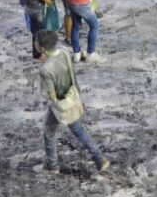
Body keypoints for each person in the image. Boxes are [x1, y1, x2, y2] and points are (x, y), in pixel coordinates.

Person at [34, 29, 110, 174]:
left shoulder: (45, 70)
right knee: (78, 130)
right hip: (71, 96)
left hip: (61, 104)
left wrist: (54, 102)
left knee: (48, 132)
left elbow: (51, 95)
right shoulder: (63, 52)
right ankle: (99, 158)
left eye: (36, 42)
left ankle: (52, 165)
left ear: (41, 47)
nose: (34, 43)